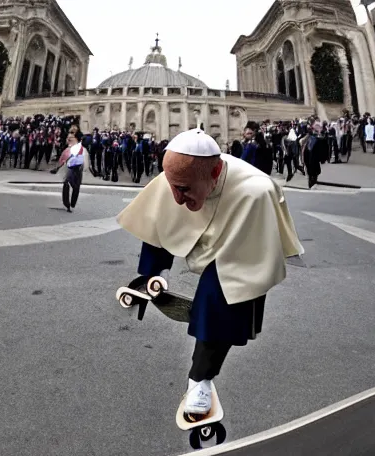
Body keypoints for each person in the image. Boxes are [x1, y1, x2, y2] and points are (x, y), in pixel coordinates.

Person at [117, 128, 304, 414]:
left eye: (184, 189)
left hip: (236, 242)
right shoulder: (177, 179)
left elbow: (249, 264)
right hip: (203, 231)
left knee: (221, 294)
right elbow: (161, 215)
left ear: (215, 171)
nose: (178, 199)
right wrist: (156, 271)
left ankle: (200, 380)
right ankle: (153, 275)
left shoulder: (256, 191)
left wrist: (217, 302)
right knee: (165, 211)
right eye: (173, 186)